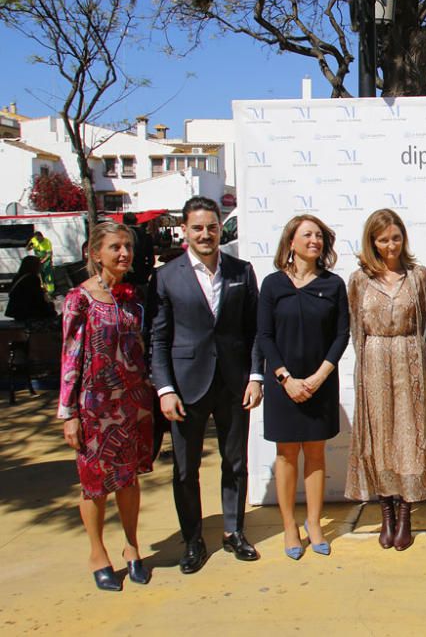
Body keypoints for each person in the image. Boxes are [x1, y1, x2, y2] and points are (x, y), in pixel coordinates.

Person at [150, 196, 264, 573]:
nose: (205, 234)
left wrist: (255, 376)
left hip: (233, 384)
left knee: (235, 463)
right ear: (185, 231)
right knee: (185, 470)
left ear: (220, 229)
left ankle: (234, 531)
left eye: (212, 227)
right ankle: (193, 540)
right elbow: (158, 339)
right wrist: (165, 389)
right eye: (197, 228)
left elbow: (254, 332)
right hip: (185, 388)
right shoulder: (166, 277)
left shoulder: (241, 271)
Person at [58, 222, 155, 591]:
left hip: (132, 405)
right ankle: (98, 554)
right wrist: (68, 414)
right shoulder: (79, 299)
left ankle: (132, 547)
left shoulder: (133, 298)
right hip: (94, 408)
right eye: (115, 247)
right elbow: (70, 358)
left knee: (128, 479)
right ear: (95, 253)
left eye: (127, 246)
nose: (124, 254)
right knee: (94, 485)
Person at [345, 208, 426, 551]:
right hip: (373, 361)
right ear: (372, 241)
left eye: (396, 238)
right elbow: (356, 330)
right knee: (379, 436)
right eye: (383, 239)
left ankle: (405, 512)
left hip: (409, 360)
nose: (391, 245)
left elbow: (424, 323)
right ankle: (385, 507)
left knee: (409, 435)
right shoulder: (359, 279)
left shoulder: (418, 276)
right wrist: (365, 369)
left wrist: (412, 358)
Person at [257, 215, 350, 559]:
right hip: (284, 385)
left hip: (320, 383)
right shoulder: (272, 285)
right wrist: (285, 379)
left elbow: (342, 335)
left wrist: (318, 377)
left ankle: (313, 523)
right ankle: (289, 527)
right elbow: (264, 336)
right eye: (307, 234)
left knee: (315, 453)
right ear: (291, 242)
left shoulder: (334, 284)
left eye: (319, 236)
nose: (315, 240)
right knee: (286, 455)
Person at [5, 255, 56, 325]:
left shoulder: (18, 276)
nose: (41, 267)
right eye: (39, 265)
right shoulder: (32, 278)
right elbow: (37, 299)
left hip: (17, 311)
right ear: (33, 266)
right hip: (27, 312)